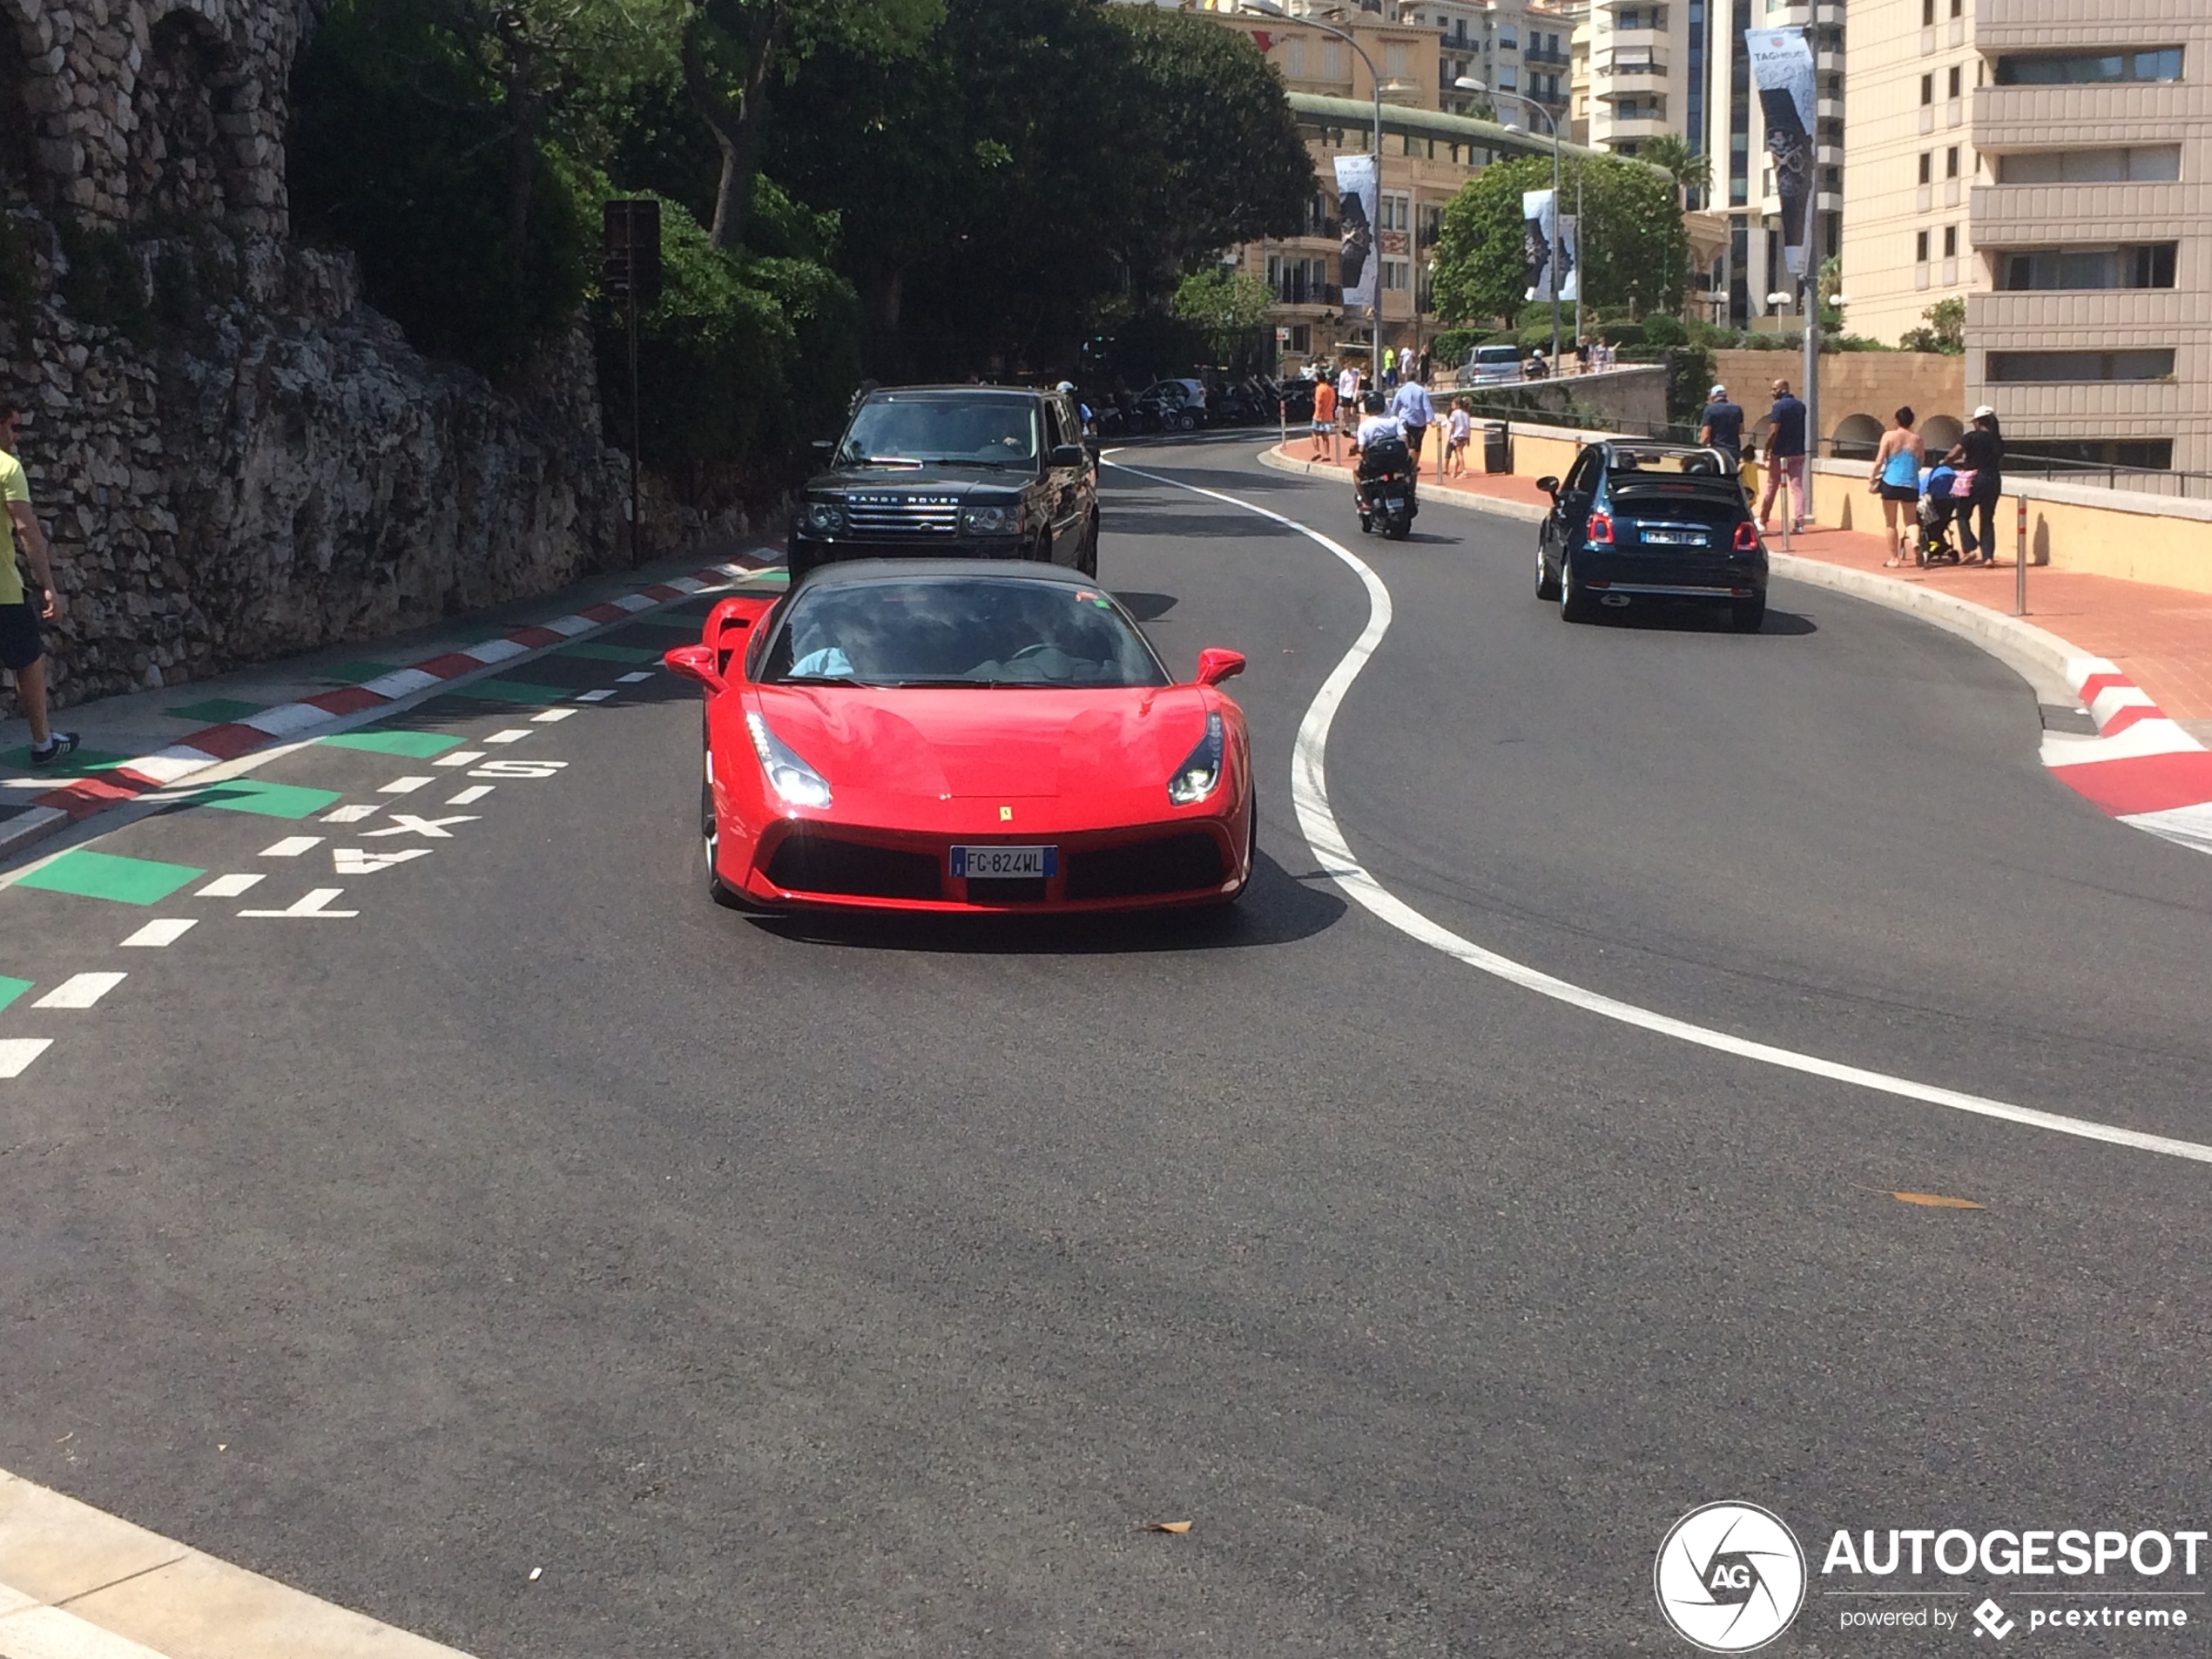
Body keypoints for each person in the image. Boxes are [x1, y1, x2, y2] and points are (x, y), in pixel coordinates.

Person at [0, 401, 75, 765]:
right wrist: (47, 584)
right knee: (28, 659)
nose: (16, 437)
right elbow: (27, 530)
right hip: (2, 591)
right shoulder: (8, 468)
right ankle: (43, 742)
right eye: (13, 428)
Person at [1944, 406, 2005, 564]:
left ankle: (1970, 547)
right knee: (1987, 519)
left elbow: (1954, 454)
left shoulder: (1971, 437)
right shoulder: (1997, 439)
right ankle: (1988, 557)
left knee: (1962, 514)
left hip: (1973, 480)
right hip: (1993, 480)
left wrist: (1945, 462)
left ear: (1978, 422)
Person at [1868, 406, 1926, 566]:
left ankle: (1894, 558)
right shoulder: (1918, 440)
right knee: (1911, 521)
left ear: (1897, 420)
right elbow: (1920, 463)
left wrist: (1872, 477)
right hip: (1911, 484)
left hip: (1891, 483)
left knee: (1891, 523)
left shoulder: (1889, 436)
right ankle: (1915, 543)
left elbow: (1879, 460)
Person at [1758, 377, 1809, 534]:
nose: (1772, 392)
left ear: (1782, 390)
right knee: (1797, 487)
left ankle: (1763, 520)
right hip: (1798, 452)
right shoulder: (1801, 406)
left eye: (1774, 389)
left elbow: (1773, 431)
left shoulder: (1778, 407)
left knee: (1772, 486)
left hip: (1780, 453)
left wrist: (1767, 450)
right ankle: (1799, 523)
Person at [1389, 372, 1433, 482]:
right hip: (1419, 422)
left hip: (1406, 421)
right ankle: (1413, 466)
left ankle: (1410, 466)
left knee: (1409, 445)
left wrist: (1391, 418)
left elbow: (1395, 407)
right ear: (1416, 379)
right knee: (1417, 445)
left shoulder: (1401, 390)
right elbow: (1427, 406)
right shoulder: (1421, 390)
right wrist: (1432, 420)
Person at [1699, 383, 1745, 464]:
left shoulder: (1710, 410)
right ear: (1725, 395)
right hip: (1734, 451)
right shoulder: (1737, 409)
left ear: (1713, 397)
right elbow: (1741, 430)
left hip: (1718, 452)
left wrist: (1701, 448)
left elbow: (1705, 435)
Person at [1310, 374, 1339, 464]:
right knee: (1325, 436)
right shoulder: (1331, 389)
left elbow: (1319, 403)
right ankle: (1326, 454)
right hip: (1329, 415)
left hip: (1320, 415)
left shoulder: (1320, 389)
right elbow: (1333, 403)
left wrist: (1318, 414)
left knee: (1314, 433)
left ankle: (1317, 451)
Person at [1444, 397, 1474, 477]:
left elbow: (1452, 425)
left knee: (1459, 453)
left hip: (1458, 434)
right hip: (1465, 435)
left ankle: (1464, 470)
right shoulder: (1466, 414)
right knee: (1459, 454)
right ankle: (1455, 471)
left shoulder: (1455, 413)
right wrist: (1469, 438)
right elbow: (1468, 427)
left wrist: (1450, 434)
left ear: (1458, 405)